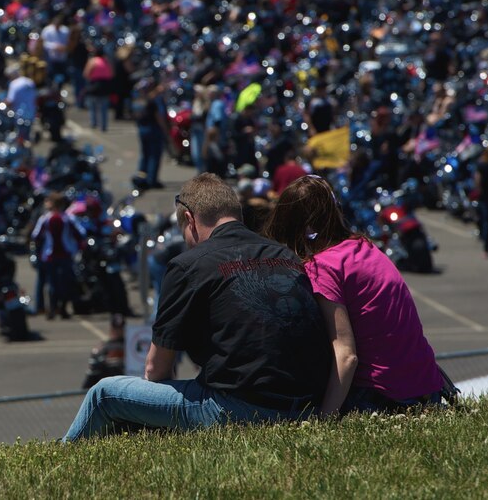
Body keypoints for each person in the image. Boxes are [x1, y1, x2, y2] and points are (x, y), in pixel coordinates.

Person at [63, 174, 331, 441]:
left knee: (104, 394)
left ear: (190, 219)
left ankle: (59, 462)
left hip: (239, 410)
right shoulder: (286, 255)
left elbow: (156, 370)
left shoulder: (188, 265)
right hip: (306, 407)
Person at [263, 175, 443, 414]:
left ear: (296, 228)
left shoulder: (323, 268)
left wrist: (324, 420)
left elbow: (346, 356)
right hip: (427, 388)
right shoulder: (366, 247)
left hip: (384, 398)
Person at [31, 192, 85, 320]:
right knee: (66, 282)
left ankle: (52, 309)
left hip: (49, 255)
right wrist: (78, 247)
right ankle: (63, 308)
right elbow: (80, 234)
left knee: (52, 283)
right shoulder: (68, 218)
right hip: (66, 254)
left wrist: (38, 251)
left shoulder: (45, 219)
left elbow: (36, 236)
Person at [132, 80, 168, 190]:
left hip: (142, 128)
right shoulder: (151, 102)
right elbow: (159, 117)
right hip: (153, 129)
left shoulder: (138, 101)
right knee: (154, 155)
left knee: (145, 155)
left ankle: (141, 177)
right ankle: (152, 179)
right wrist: (165, 130)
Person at [82, 48, 114, 132]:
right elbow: (111, 74)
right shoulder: (107, 62)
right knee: (104, 106)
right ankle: (103, 125)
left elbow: (86, 73)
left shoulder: (92, 61)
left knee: (92, 105)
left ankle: (94, 122)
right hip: (105, 85)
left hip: (95, 84)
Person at [5, 66, 37, 142]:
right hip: (31, 113)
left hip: (19, 114)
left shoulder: (14, 84)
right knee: (27, 136)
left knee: (20, 138)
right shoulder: (29, 81)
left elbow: (10, 100)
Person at [475, 144, 488, 258]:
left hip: (485, 197)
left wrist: (479, 191)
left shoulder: (482, 166)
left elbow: (477, 181)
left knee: (486, 222)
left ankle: (486, 249)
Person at [40, 15, 70, 85]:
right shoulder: (47, 30)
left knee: (62, 76)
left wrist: (63, 47)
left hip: (62, 57)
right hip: (51, 57)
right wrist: (54, 46)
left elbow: (68, 42)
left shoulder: (65, 30)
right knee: (51, 75)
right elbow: (43, 43)